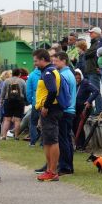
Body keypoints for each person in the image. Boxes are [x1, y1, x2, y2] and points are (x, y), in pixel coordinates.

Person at [33, 49, 66, 182]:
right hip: (51, 108)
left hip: (51, 109)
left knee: (52, 140)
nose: (34, 63)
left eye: (36, 60)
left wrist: (46, 106)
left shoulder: (47, 72)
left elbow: (52, 90)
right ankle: (49, 170)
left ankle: (52, 171)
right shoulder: (50, 71)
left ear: (42, 59)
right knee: (47, 140)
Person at [54, 52, 76, 175]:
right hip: (69, 110)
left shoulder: (63, 75)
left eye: (56, 61)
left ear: (63, 61)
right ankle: (68, 166)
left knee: (63, 140)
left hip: (65, 110)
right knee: (66, 139)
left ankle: (65, 167)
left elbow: (63, 95)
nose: (54, 63)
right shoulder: (69, 74)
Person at [73, 69, 99, 149]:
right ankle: (78, 144)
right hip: (76, 109)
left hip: (84, 109)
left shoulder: (85, 83)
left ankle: (81, 145)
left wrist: (88, 101)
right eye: (76, 78)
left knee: (79, 125)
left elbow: (96, 91)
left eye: (78, 78)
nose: (77, 80)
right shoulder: (74, 85)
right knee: (74, 125)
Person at [0, 68, 26, 140]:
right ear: (19, 74)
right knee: (17, 120)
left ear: (12, 73)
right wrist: (26, 101)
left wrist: (1, 100)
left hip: (8, 101)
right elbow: (25, 92)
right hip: (19, 101)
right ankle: (16, 136)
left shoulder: (7, 81)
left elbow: (3, 92)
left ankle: (4, 136)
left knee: (7, 119)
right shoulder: (22, 81)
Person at [84, 27, 102, 115]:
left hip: (94, 69)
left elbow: (88, 53)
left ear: (97, 33)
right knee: (94, 90)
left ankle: (99, 110)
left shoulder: (98, 42)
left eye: (92, 33)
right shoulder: (94, 43)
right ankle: (98, 109)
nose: (90, 34)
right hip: (91, 70)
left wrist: (87, 52)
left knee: (96, 90)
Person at [26, 65, 42, 148]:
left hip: (35, 102)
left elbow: (28, 90)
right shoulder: (47, 73)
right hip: (44, 102)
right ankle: (43, 143)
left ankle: (32, 141)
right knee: (44, 123)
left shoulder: (32, 75)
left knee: (33, 123)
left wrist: (31, 101)